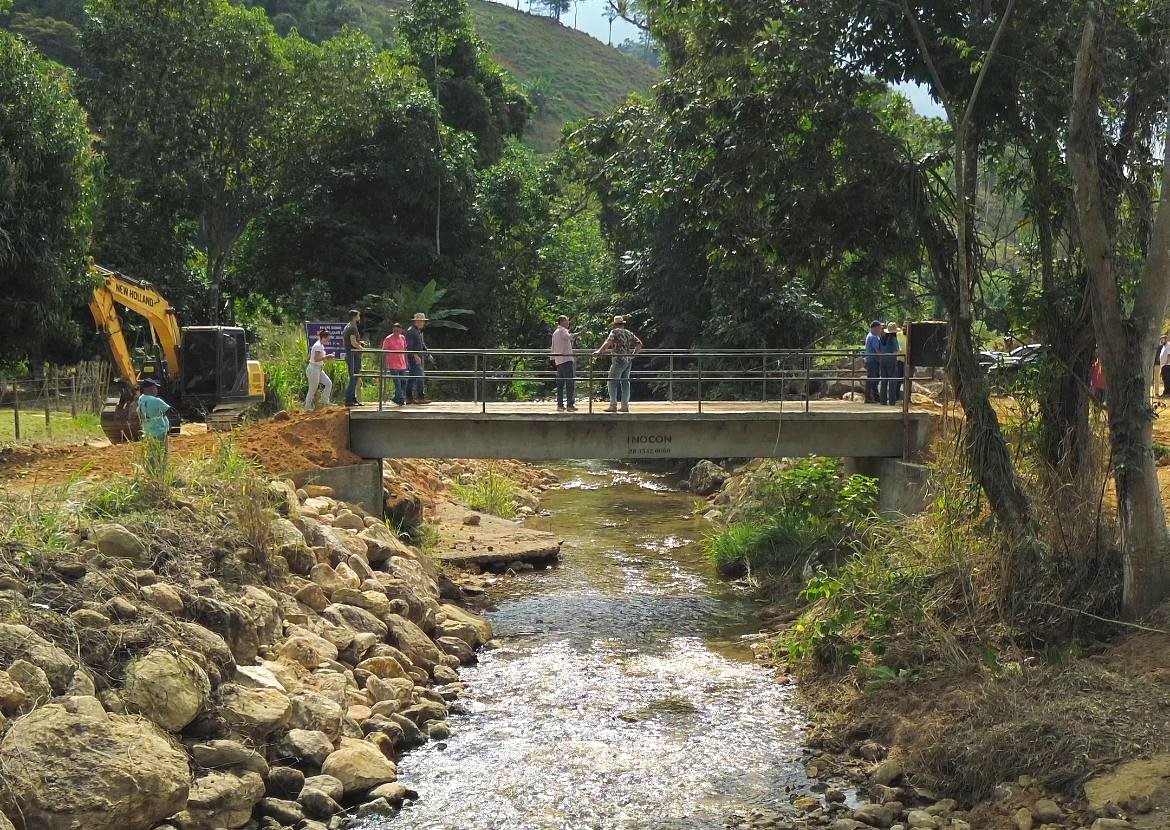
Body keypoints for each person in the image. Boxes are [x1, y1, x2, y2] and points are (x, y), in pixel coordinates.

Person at [593, 315, 643, 413]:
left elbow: (608, 342)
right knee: (625, 382)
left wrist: (599, 351)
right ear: (622, 324)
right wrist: (633, 355)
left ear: (615, 324)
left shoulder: (614, 332)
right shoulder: (628, 333)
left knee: (611, 382)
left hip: (618, 360)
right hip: (628, 361)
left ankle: (613, 405)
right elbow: (639, 343)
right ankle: (624, 405)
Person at [136, 378, 172, 476]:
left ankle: (150, 474)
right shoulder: (156, 401)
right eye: (154, 388)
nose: (156, 390)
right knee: (162, 454)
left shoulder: (141, 399)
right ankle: (161, 475)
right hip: (159, 430)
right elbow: (169, 411)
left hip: (148, 431)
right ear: (148, 389)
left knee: (151, 454)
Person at [551, 315, 577, 411]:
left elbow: (553, 347)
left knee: (560, 384)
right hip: (566, 360)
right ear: (562, 321)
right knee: (570, 382)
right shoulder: (563, 330)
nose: (568, 323)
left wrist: (553, 358)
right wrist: (579, 334)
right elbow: (569, 337)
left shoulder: (555, 333)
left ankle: (560, 404)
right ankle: (570, 404)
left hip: (559, 361)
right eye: (567, 321)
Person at [305, 329, 334, 411]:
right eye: (327, 339)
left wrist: (326, 358)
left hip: (318, 369)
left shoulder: (321, 345)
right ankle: (307, 407)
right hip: (313, 369)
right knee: (312, 389)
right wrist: (327, 356)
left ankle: (325, 401)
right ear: (323, 338)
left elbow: (320, 359)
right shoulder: (318, 346)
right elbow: (316, 358)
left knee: (328, 383)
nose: (328, 341)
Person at [405, 313, 431, 405]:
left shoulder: (417, 331)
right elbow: (410, 346)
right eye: (422, 321)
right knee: (420, 376)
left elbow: (421, 344)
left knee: (412, 378)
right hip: (413, 358)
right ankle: (420, 397)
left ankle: (409, 398)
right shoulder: (411, 331)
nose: (423, 323)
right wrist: (415, 356)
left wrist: (428, 353)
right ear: (417, 321)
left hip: (416, 357)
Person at [381, 323, 408, 407]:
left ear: (401, 330)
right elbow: (384, 351)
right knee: (397, 382)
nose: (396, 332)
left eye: (398, 330)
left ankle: (396, 398)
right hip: (393, 364)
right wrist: (385, 363)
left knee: (403, 382)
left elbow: (405, 350)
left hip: (402, 364)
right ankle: (401, 399)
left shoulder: (403, 338)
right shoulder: (388, 339)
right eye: (394, 330)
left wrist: (406, 362)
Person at [341, 309, 364, 407]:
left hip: (350, 355)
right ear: (355, 317)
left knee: (354, 377)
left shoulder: (347, 326)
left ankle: (352, 398)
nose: (359, 317)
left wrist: (359, 343)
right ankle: (349, 399)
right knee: (353, 378)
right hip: (353, 356)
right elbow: (352, 342)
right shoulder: (353, 327)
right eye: (358, 316)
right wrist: (361, 348)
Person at [878, 322, 901, 405]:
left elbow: (880, 349)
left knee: (883, 381)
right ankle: (892, 401)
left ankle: (883, 401)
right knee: (892, 381)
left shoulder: (882, 338)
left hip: (883, 360)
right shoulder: (893, 338)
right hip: (891, 360)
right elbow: (896, 350)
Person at [864, 320, 883, 403]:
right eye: (879, 328)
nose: (880, 330)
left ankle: (872, 397)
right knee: (873, 379)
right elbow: (877, 350)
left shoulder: (870, 336)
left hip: (870, 360)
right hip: (873, 360)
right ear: (875, 328)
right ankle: (871, 397)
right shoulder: (874, 337)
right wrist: (882, 358)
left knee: (872, 378)